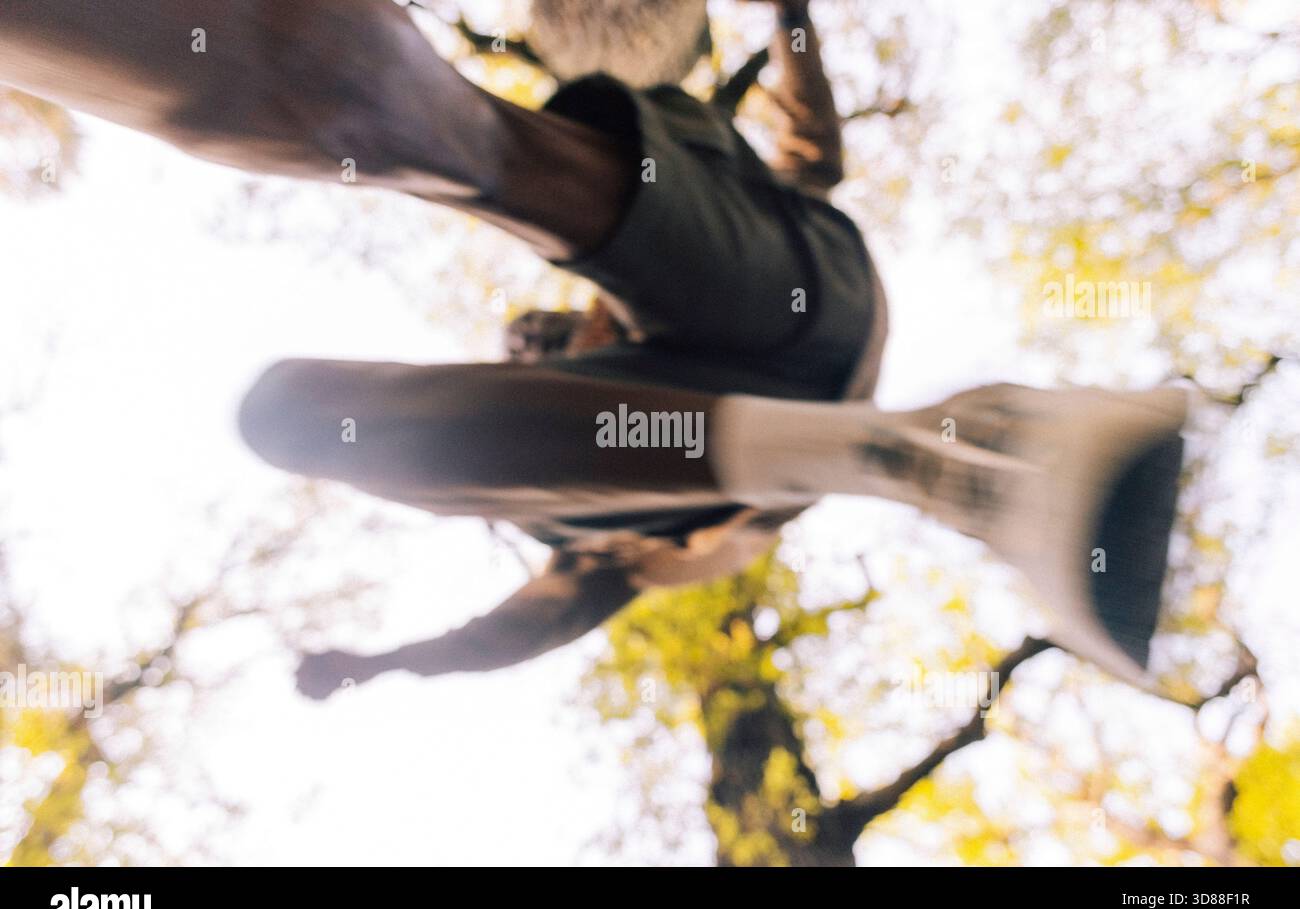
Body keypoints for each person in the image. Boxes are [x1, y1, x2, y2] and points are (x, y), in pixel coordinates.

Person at [0, 0, 1186, 697]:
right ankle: (906, 460)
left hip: (799, 304)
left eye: (536, 338)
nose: (533, 338)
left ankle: (905, 457)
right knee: (289, 415)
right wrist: (387, 663)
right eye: (537, 343)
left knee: (499, 159)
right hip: (745, 437)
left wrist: (788, 21)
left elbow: (809, 153)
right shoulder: (589, 512)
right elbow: (534, 620)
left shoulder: (669, 185)